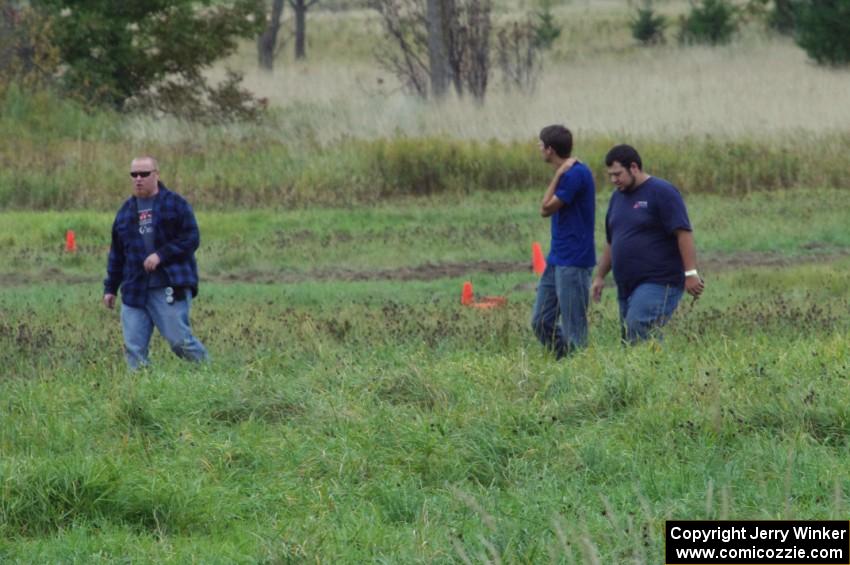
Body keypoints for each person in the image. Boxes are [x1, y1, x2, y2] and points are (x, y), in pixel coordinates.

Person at [591, 144, 704, 343]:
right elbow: (612, 240)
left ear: (634, 167)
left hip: (659, 281)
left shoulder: (662, 192)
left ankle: (653, 369)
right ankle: (649, 371)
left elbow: (683, 233)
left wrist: (691, 273)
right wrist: (600, 276)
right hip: (626, 284)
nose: (613, 180)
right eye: (610, 175)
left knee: (639, 325)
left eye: (617, 174)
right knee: (629, 338)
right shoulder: (617, 198)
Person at [103, 156, 209, 369]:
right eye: (134, 175)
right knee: (134, 349)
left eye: (144, 174)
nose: (138, 179)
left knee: (180, 342)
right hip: (134, 289)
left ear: (156, 174)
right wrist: (111, 288)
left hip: (169, 285)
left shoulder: (175, 203)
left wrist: (161, 255)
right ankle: (142, 394)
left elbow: (191, 238)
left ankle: (208, 371)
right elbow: (117, 253)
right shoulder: (125, 212)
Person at [530, 125, 596, 359]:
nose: (539, 148)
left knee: (574, 327)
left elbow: (545, 208)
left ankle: (577, 374)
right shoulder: (569, 173)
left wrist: (558, 175)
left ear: (550, 149)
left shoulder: (575, 174)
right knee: (540, 321)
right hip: (557, 258)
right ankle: (565, 360)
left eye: (541, 144)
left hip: (574, 260)